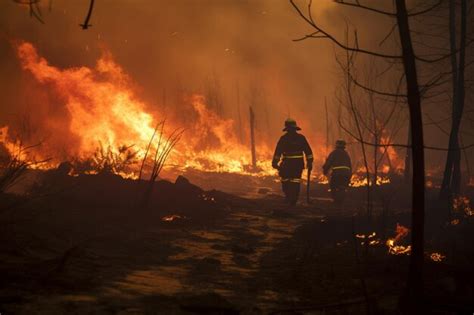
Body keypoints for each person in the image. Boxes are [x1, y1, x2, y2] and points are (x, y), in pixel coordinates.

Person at [272, 118, 313, 205]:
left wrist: (275, 162)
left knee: (288, 181)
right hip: (297, 165)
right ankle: (292, 198)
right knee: (294, 181)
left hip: (287, 165)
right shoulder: (301, 138)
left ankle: (289, 198)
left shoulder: (284, 138)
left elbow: (278, 152)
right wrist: (310, 162)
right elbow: (308, 151)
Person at [323, 140, 352, 205]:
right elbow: (350, 166)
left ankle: (336, 201)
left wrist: (325, 170)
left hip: (337, 174)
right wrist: (349, 175)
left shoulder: (334, 153)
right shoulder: (346, 154)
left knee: (333, 186)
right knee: (342, 187)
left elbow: (329, 162)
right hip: (346, 174)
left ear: (336, 145)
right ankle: (341, 201)